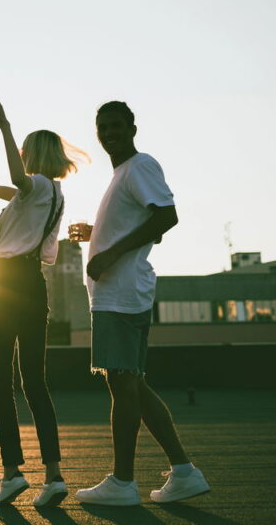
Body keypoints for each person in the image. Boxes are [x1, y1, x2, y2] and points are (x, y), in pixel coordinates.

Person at [73, 101, 210, 506]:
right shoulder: (124, 174)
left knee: (122, 383)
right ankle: (184, 473)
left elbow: (166, 217)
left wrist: (109, 254)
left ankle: (122, 482)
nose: (109, 131)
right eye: (103, 126)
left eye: (116, 125)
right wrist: (96, 232)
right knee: (133, 383)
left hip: (121, 294)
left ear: (133, 127)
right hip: (123, 293)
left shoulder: (140, 165)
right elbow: (145, 224)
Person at [0, 91, 88, 507]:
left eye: (23, 148)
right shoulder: (46, 194)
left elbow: (14, 178)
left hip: (5, 285)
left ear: (34, 154)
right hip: (32, 284)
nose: (19, 151)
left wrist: (3, 124)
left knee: (0, 382)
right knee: (35, 383)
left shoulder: (33, 186)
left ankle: (13, 472)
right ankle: (53, 475)